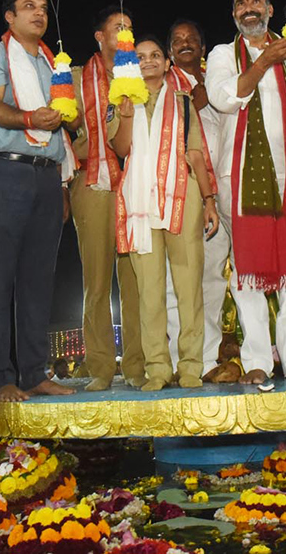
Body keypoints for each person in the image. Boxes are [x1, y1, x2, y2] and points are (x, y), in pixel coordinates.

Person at [206, 0, 286, 384]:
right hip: (242, 178)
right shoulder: (224, 54)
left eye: (255, 1)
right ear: (233, 14)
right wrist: (262, 63)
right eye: (240, 3)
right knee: (248, 269)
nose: (248, 8)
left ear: (271, 8)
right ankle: (258, 358)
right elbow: (224, 98)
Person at [0, 0, 76, 403]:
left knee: (37, 278)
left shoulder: (54, 63)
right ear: (9, 17)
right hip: (4, 171)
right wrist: (32, 116)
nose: (38, 13)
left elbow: (64, 122)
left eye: (43, 7)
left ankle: (34, 372)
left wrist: (64, 184)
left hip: (48, 174)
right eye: (28, 7)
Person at [112, 36, 220, 390]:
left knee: (189, 285)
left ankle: (191, 365)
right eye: (140, 56)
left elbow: (197, 152)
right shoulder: (122, 99)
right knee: (150, 291)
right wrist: (126, 117)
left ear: (167, 63)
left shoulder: (182, 101)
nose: (148, 61)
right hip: (140, 201)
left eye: (155, 55)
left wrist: (208, 200)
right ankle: (157, 367)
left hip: (182, 194)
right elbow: (121, 149)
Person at [69, 6, 144, 391]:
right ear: (100, 37)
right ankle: (98, 366)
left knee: (134, 278)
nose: (126, 32)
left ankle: (136, 364)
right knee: (96, 280)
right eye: (118, 27)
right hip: (92, 179)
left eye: (129, 26)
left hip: (136, 182)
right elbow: (64, 128)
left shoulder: (140, 73)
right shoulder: (78, 79)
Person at [166, 19, 232, 378]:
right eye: (178, 40)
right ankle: (183, 360)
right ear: (170, 50)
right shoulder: (165, 83)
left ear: (203, 48)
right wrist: (193, 100)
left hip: (225, 190)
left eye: (192, 38)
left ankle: (206, 359)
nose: (186, 43)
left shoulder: (220, 80)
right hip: (187, 191)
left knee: (212, 280)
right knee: (180, 281)